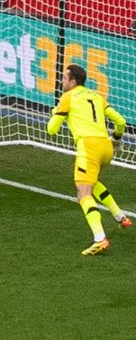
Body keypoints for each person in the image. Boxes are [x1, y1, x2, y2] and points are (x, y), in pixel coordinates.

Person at [46, 63, 130, 255]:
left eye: (65, 78)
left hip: (88, 148)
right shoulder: (96, 96)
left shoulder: (67, 98)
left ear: (73, 81)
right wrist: (116, 137)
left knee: (83, 192)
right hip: (106, 147)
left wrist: (56, 113)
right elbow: (121, 122)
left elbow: (51, 130)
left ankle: (99, 238)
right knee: (93, 182)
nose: (62, 80)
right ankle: (120, 217)